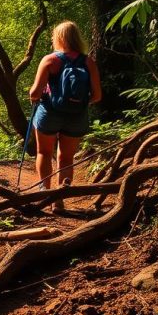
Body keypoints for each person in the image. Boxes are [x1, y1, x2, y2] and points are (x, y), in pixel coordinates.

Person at [28, 21, 102, 211]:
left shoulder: (50, 60)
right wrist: (78, 102)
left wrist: (40, 94)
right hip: (76, 116)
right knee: (66, 158)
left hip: (49, 114)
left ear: (59, 38)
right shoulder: (88, 62)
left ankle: (45, 193)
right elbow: (97, 96)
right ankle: (59, 200)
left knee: (44, 152)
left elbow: (35, 93)